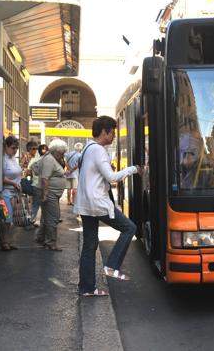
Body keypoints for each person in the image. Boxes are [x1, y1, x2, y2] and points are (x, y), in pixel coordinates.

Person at [76, 116, 142, 297]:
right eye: (112, 132)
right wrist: (134, 169)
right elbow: (112, 177)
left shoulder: (87, 148)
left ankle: (87, 288)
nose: (114, 136)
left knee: (89, 246)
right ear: (104, 132)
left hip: (85, 204)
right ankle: (112, 266)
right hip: (96, 203)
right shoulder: (98, 151)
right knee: (130, 228)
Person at [37, 139, 68, 251]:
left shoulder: (51, 158)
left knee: (47, 217)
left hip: (52, 193)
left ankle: (42, 238)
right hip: (50, 193)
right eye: (61, 153)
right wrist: (45, 194)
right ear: (55, 151)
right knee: (53, 218)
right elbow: (45, 178)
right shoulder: (49, 160)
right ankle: (50, 243)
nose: (62, 155)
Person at [0, 135, 22, 251]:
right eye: (13, 148)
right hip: (5, 193)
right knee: (6, 219)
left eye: (16, 148)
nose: (15, 150)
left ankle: (9, 241)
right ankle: (5, 242)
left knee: (12, 219)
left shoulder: (13, 158)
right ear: (6, 147)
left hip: (14, 193)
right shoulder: (3, 159)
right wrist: (13, 183)